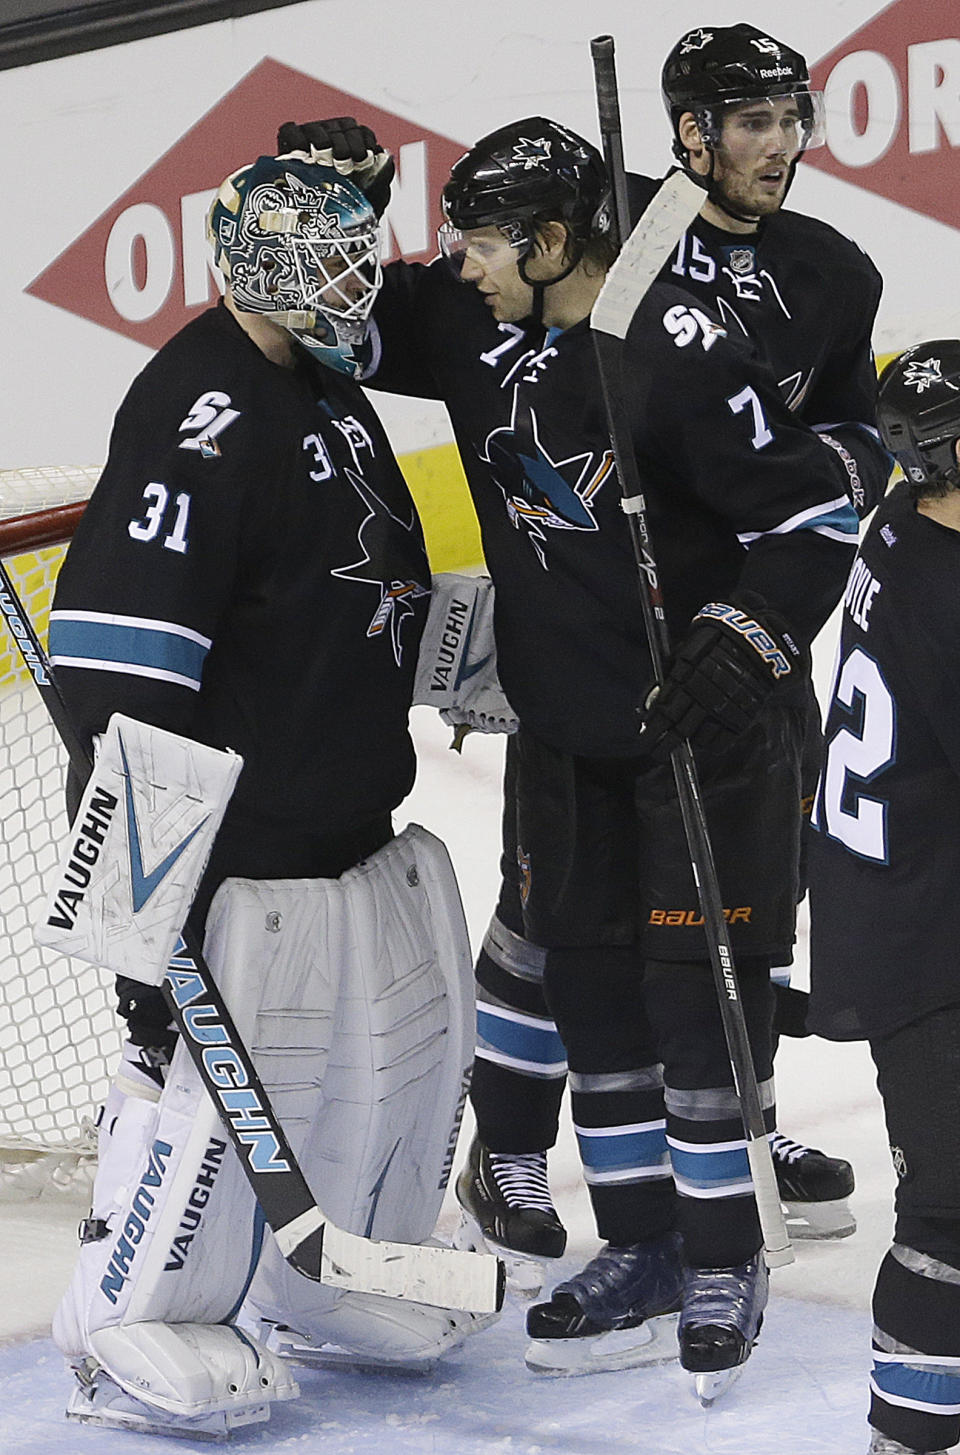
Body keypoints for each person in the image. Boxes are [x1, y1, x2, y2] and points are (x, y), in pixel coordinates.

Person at [277, 111, 861, 1394]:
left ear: (549, 242)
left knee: (694, 1017)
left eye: (481, 242)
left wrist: (744, 632)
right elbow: (335, 317)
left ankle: (723, 1254)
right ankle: (645, 1248)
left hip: (702, 744)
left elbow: (822, 506)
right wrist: (333, 201)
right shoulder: (472, 322)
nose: (461, 264)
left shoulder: (682, 355)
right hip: (565, 737)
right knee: (593, 1007)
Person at [45, 150, 487, 1438]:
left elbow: (346, 580)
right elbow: (120, 674)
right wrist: (149, 904)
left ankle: (332, 1282)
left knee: (387, 1067)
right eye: (333, 266)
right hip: (241, 856)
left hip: (342, 824)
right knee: (207, 1091)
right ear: (260, 272)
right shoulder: (199, 418)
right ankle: (130, 1317)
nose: (361, 284)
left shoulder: (322, 380)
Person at [452, 19, 891, 1275]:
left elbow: (853, 452)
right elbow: (487, 325)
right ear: (690, 130)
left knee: (728, 924)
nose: (781, 146)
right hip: (593, 651)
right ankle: (514, 1143)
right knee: (552, 928)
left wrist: (758, 611)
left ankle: (733, 1130)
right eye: (752, 122)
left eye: (791, 118)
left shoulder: (831, 270)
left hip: (731, 643)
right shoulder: (618, 234)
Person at [808, 341, 960, 1455]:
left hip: (898, 905)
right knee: (950, 1214)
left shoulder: (899, 528)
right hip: (923, 943)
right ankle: (904, 1441)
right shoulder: (945, 594)